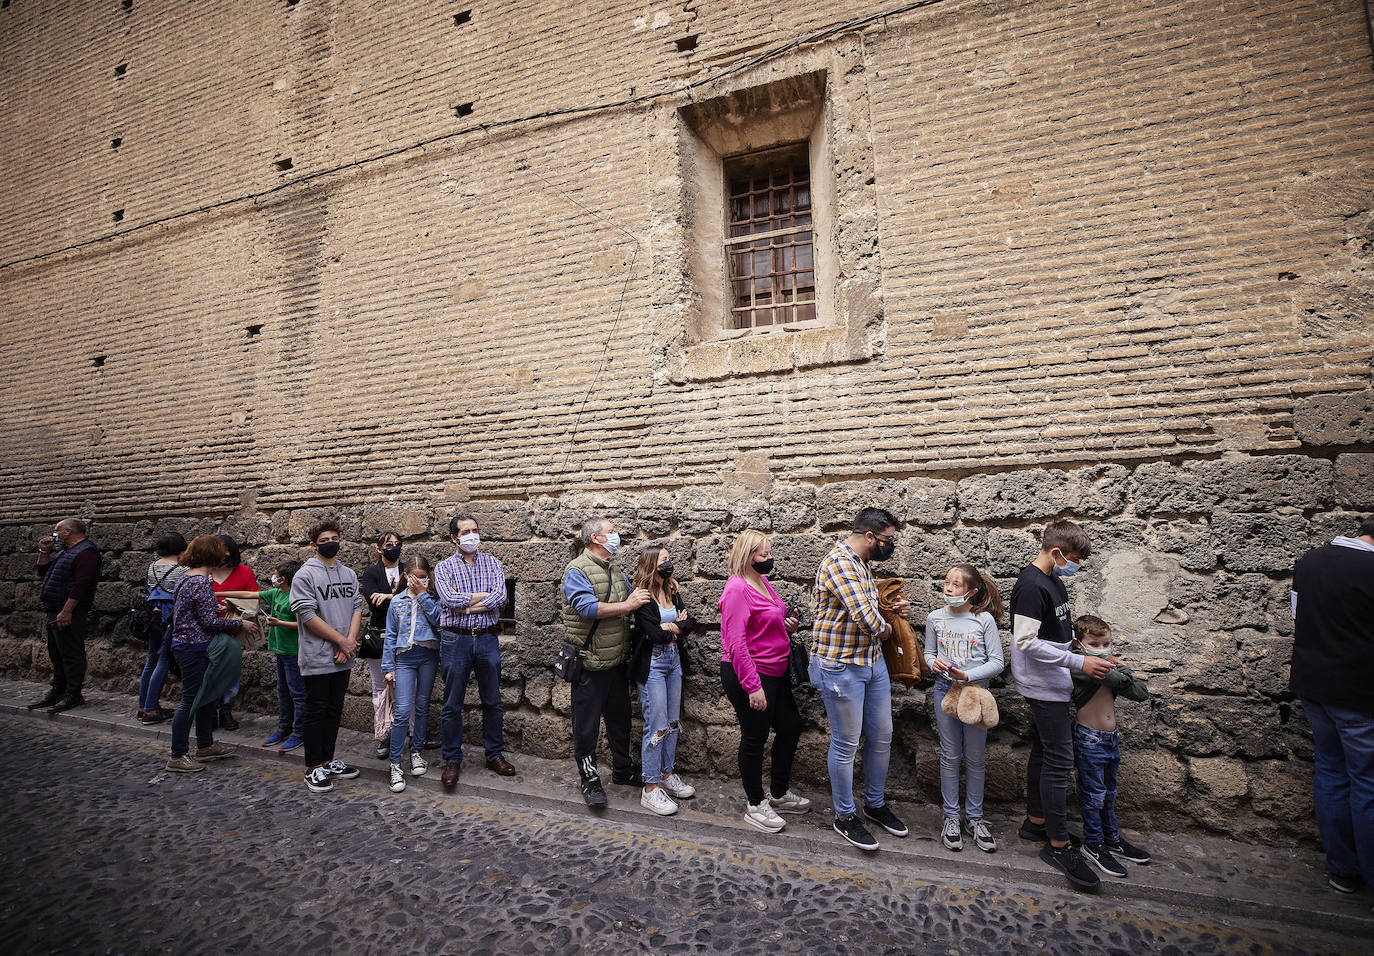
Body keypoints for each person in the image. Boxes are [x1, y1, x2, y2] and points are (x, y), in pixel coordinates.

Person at [1010, 519, 1114, 891]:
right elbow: (1025, 642)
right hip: (1042, 685)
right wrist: (1079, 662)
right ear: (1056, 553)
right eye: (1073, 559)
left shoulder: (1052, 580)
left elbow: (1055, 634)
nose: (1076, 566)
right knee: (1059, 759)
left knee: (1043, 751)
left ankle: (1036, 822)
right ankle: (1057, 845)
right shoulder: (1031, 586)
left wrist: (1085, 651)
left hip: (1054, 680)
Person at [810, 507, 909, 851]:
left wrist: (893, 610)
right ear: (869, 537)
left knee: (882, 735)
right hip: (841, 666)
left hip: (871, 662)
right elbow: (866, 619)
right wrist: (888, 629)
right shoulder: (840, 562)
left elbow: (871, 608)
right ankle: (844, 815)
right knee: (846, 742)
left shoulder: (863, 564)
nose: (890, 546)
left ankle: (875, 804)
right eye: (888, 541)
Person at [1290, 514, 1374, 898]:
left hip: (1313, 687)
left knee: (1330, 772)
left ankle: (1343, 870)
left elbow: (1298, 617)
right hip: (1360, 692)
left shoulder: (1309, 562)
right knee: (1367, 784)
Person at [719, 529, 810, 833]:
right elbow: (735, 643)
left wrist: (786, 625)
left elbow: (764, 620)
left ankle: (779, 793)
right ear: (747, 557)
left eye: (769, 553)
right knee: (755, 737)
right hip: (751, 673)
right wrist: (752, 685)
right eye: (763, 555)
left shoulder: (761, 581)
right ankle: (755, 804)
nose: (769, 559)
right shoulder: (736, 590)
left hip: (776, 670)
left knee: (791, 726)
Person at [561, 516, 651, 808]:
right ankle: (589, 779)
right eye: (611, 532)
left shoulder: (614, 569)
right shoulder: (576, 570)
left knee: (620, 721)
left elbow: (634, 596)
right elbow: (587, 608)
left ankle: (623, 770)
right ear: (596, 539)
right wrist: (628, 605)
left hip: (616, 662)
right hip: (589, 664)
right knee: (586, 727)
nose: (616, 536)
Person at [923, 562, 1005, 854]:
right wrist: (935, 664)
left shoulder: (983, 621)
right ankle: (951, 817)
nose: (948, 588)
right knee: (949, 755)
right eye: (946, 582)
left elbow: (997, 662)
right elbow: (929, 654)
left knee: (975, 758)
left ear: (971, 592)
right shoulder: (935, 618)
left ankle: (975, 818)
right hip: (945, 692)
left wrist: (968, 675)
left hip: (974, 693)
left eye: (956, 585)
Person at [163, 535, 258, 772]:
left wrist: (213, 608)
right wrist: (240, 625)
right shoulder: (202, 582)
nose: (225, 555)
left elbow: (193, 611)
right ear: (212, 555)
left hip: (187, 645)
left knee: (206, 698)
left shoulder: (186, 578)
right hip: (193, 647)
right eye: (221, 551)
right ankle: (177, 755)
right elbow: (208, 622)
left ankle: (205, 746)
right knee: (191, 700)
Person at [434, 513, 515, 788]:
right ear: (454, 538)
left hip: (486, 638)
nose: (472, 535)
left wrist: (467, 605)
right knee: (452, 703)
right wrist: (483, 598)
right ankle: (452, 759)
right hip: (455, 640)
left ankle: (494, 754)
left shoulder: (493, 563)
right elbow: (448, 600)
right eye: (466, 531)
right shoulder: (443, 568)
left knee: (492, 700)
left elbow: (501, 596)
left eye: (475, 530)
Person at [1070, 614, 1151, 878]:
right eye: (1095, 644)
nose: (1103, 650)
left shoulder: (1103, 665)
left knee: (1109, 794)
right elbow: (1118, 680)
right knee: (1093, 796)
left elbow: (1141, 693)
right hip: (1089, 739)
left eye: (1107, 645)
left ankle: (1111, 839)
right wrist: (1119, 671)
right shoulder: (1079, 667)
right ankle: (1093, 844)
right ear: (1078, 643)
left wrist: (1118, 672)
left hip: (1110, 739)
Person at [290, 519, 364, 794]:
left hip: (344, 655)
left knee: (334, 710)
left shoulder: (349, 574)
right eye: (324, 540)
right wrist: (341, 641)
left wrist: (349, 643)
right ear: (313, 545)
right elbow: (307, 615)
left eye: (335, 537)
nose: (331, 542)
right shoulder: (305, 575)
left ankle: (327, 760)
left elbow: (357, 606)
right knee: (316, 711)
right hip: (319, 656)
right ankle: (312, 767)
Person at [629, 545, 697, 816]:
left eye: (669, 559)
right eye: (664, 560)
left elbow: (690, 623)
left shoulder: (671, 589)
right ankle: (650, 787)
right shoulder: (642, 596)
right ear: (651, 565)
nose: (669, 564)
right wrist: (671, 628)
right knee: (655, 725)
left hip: (674, 663)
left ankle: (667, 775)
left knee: (671, 722)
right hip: (653, 666)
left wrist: (672, 628)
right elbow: (653, 633)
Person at [217, 560, 305, 752]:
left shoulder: (296, 597)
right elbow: (248, 594)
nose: (272, 577)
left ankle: (299, 733)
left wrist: (279, 623)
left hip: (293, 652)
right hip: (280, 651)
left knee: (297, 693)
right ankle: (283, 729)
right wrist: (218, 593)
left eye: (276, 574)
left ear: (283, 579)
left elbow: (306, 624)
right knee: (283, 691)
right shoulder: (276, 593)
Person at [383, 555, 442, 794]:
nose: (418, 582)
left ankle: (416, 752)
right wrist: (388, 667)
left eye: (423, 578)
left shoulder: (433, 600)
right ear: (406, 577)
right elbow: (390, 635)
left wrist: (423, 595)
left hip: (427, 656)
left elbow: (438, 620)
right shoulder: (396, 602)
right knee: (403, 710)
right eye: (414, 578)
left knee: (422, 706)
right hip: (405, 659)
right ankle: (395, 763)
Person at [29, 518, 100, 713]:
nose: (54, 534)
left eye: (57, 531)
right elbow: (44, 571)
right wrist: (44, 552)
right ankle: (58, 689)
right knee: (56, 652)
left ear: (68, 531)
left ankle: (73, 693)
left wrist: (67, 610)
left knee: (70, 652)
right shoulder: (64, 552)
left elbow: (81, 585)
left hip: (69, 611)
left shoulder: (86, 553)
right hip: (54, 609)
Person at [360, 530, 408, 760]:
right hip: (379, 638)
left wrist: (389, 597)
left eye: (398, 544)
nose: (394, 547)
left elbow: (415, 597)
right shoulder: (371, 573)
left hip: (406, 637)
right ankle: (385, 734)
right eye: (389, 544)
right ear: (379, 549)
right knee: (380, 689)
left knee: (407, 688)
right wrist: (396, 597)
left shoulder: (407, 570)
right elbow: (374, 602)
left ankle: (409, 733)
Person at [137, 532, 187, 724]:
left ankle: (143, 705)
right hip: (169, 619)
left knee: (151, 660)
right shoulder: (181, 569)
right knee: (164, 661)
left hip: (153, 618)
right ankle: (151, 709)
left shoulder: (152, 566)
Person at [210, 534, 258, 731]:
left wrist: (231, 608)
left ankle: (226, 711)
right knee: (210, 674)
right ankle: (209, 711)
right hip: (209, 632)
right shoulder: (204, 574)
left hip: (235, 632)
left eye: (226, 553)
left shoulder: (244, 572)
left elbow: (254, 601)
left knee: (231, 674)